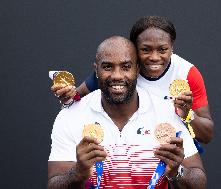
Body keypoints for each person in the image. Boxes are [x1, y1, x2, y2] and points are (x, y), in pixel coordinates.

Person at [48, 36, 206, 189]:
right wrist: (78, 173)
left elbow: (200, 182)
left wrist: (176, 172)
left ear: (137, 69)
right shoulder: (70, 116)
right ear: (96, 69)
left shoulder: (167, 113)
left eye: (125, 67)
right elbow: (54, 184)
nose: (117, 75)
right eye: (108, 67)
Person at [52, 16, 214, 144]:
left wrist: (187, 114)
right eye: (145, 50)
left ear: (172, 47)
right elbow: (74, 102)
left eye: (163, 50)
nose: (154, 57)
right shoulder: (118, 73)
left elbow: (206, 135)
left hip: (170, 155)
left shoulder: (187, 73)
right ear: (134, 49)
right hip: (127, 151)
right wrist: (66, 96)